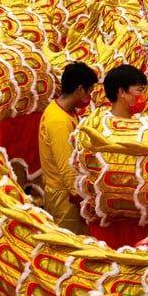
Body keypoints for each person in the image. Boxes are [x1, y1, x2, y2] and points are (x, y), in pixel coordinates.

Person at [38, 62, 98, 233]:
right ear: (80, 89)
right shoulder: (59, 122)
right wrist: (80, 199)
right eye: (89, 91)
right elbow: (66, 167)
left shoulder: (65, 111)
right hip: (65, 199)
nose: (90, 97)